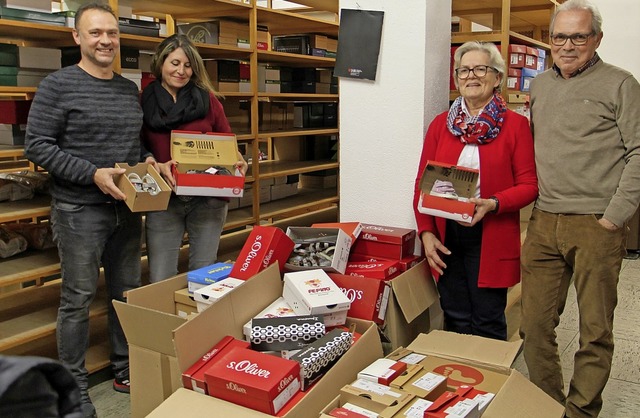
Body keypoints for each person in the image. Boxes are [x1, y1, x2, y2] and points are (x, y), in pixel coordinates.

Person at [24, 3, 151, 417]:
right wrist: (91, 174)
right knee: (77, 299)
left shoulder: (126, 88)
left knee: (125, 294)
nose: (106, 41)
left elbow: (131, 144)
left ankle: (124, 367)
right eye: (95, 33)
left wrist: (146, 161)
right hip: (79, 209)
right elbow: (38, 145)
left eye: (112, 33)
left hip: (127, 209)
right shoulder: (57, 85)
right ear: (77, 37)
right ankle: (74, 385)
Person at [520, 1, 640, 416]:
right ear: (549, 40)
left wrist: (614, 215)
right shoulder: (539, 86)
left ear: (597, 40)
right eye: (559, 37)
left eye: (579, 36)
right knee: (533, 325)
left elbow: (639, 151)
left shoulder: (621, 83)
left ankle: (581, 411)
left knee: (594, 331)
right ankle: (548, 404)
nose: (567, 46)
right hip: (543, 221)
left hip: (596, 224)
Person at [413, 41, 538, 341]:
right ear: (456, 79)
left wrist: (493, 203)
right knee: (454, 315)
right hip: (448, 235)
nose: (472, 76)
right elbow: (421, 185)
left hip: (490, 233)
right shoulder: (440, 126)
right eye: (464, 70)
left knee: (487, 319)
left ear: (497, 78)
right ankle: (458, 382)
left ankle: (490, 385)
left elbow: (530, 186)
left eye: (481, 69)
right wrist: (426, 234)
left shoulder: (516, 126)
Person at [141, 34, 248, 283]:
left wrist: (238, 159)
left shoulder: (208, 101)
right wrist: (153, 163)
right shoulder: (143, 101)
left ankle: (198, 321)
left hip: (208, 200)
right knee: (161, 277)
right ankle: (167, 323)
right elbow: (137, 147)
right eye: (175, 63)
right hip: (164, 200)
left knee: (204, 275)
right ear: (161, 62)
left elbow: (227, 142)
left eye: (188, 65)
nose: (181, 71)